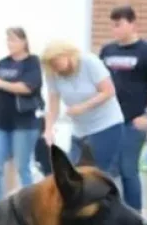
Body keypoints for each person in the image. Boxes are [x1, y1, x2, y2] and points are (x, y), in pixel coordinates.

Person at [99, 5, 147, 214]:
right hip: (109, 121)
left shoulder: (146, 52)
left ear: (132, 24)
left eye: (119, 25)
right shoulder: (107, 51)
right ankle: (111, 216)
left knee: (128, 169)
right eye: (112, 26)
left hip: (134, 120)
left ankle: (135, 218)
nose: (115, 30)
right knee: (109, 170)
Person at [41, 40, 124, 176]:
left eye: (56, 64)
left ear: (66, 55)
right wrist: (48, 129)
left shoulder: (89, 62)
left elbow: (108, 91)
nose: (56, 70)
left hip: (105, 125)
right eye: (52, 67)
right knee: (73, 173)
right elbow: (53, 106)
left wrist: (82, 107)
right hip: (80, 129)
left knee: (97, 173)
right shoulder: (52, 73)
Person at [0, 27, 43, 201]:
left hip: (24, 123)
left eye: (13, 40)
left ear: (24, 42)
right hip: (2, 122)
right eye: (8, 40)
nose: (10, 44)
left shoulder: (32, 62)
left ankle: (32, 203)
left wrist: (1, 83)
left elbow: (27, 87)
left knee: (23, 167)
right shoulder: (3, 63)